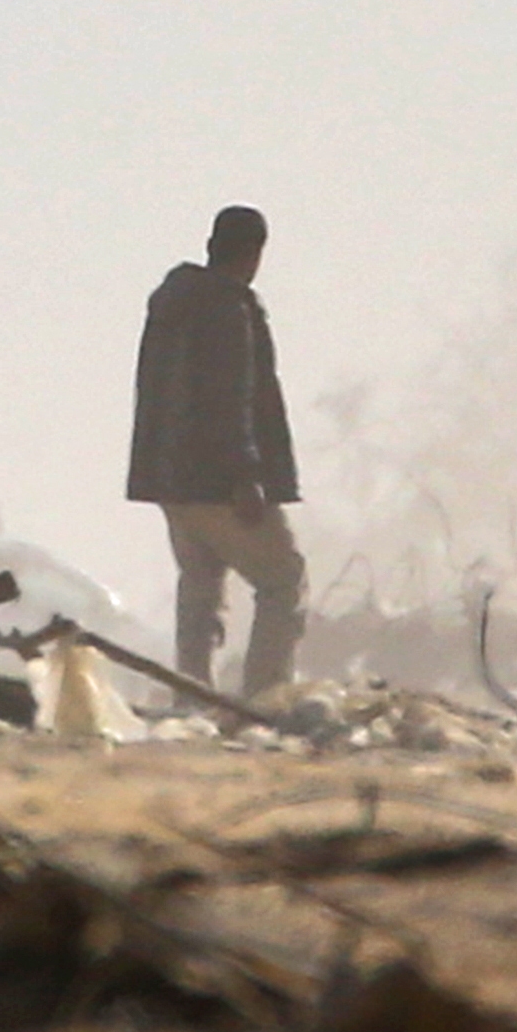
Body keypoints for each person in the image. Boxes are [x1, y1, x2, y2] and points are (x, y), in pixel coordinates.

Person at [130, 205, 306, 698]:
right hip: (220, 481)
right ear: (254, 254)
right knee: (282, 581)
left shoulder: (172, 306)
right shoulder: (227, 310)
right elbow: (231, 397)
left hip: (169, 480)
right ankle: (267, 699)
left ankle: (192, 698)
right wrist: (247, 474)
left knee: (200, 584)